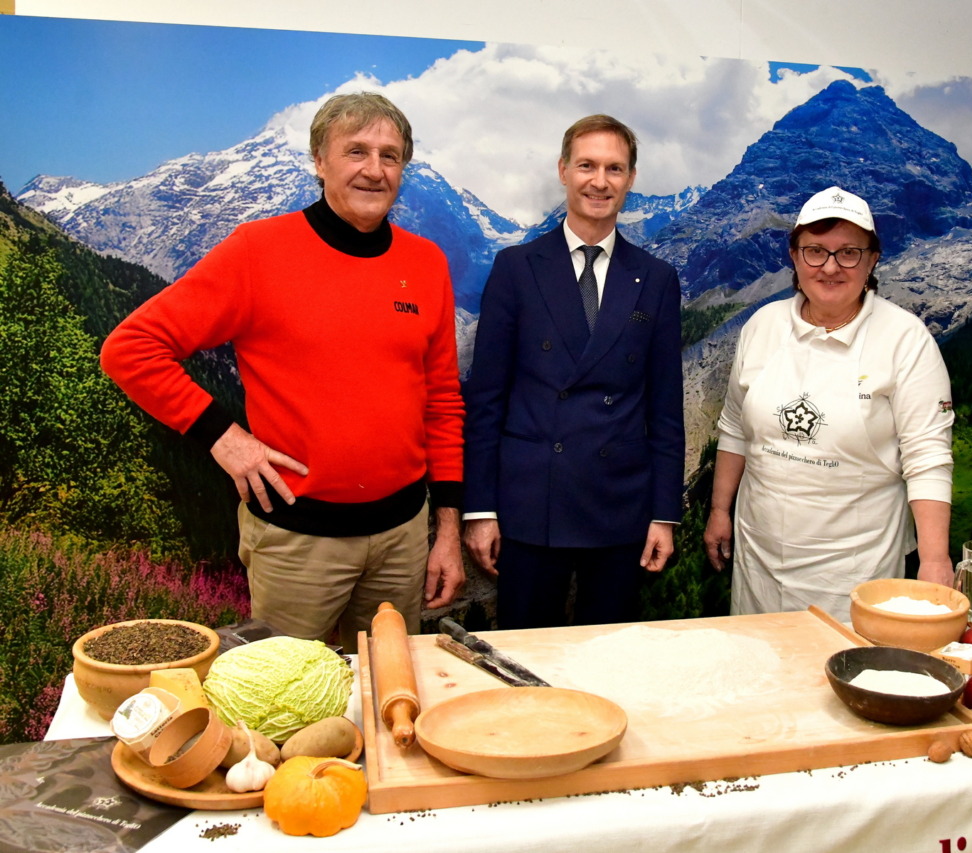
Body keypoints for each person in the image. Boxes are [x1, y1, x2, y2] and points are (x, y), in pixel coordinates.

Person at [100, 92, 465, 652]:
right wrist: (224, 438)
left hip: (403, 539)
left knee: (387, 687)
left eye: (390, 156)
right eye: (356, 152)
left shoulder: (426, 263)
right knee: (286, 695)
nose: (374, 170)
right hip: (298, 543)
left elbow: (441, 401)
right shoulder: (258, 251)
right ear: (319, 161)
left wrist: (448, 530)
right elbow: (130, 348)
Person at [463, 114, 684, 629]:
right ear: (563, 171)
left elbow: (665, 408)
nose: (599, 181)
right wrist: (480, 510)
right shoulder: (516, 267)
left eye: (614, 168)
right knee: (524, 653)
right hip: (530, 504)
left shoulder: (655, 278)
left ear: (630, 179)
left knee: (609, 655)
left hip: (620, 508)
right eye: (587, 166)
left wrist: (663, 514)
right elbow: (487, 399)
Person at [702, 186, 954, 617]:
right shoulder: (763, 326)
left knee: (843, 659)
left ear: (872, 260)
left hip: (855, 569)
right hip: (759, 557)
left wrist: (934, 561)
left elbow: (927, 459)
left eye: (849, 253)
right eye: (815, 251)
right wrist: (720, 510)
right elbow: (734, 429)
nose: (831, 267)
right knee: (761, 654)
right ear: (795, 257)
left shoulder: (905, 340)